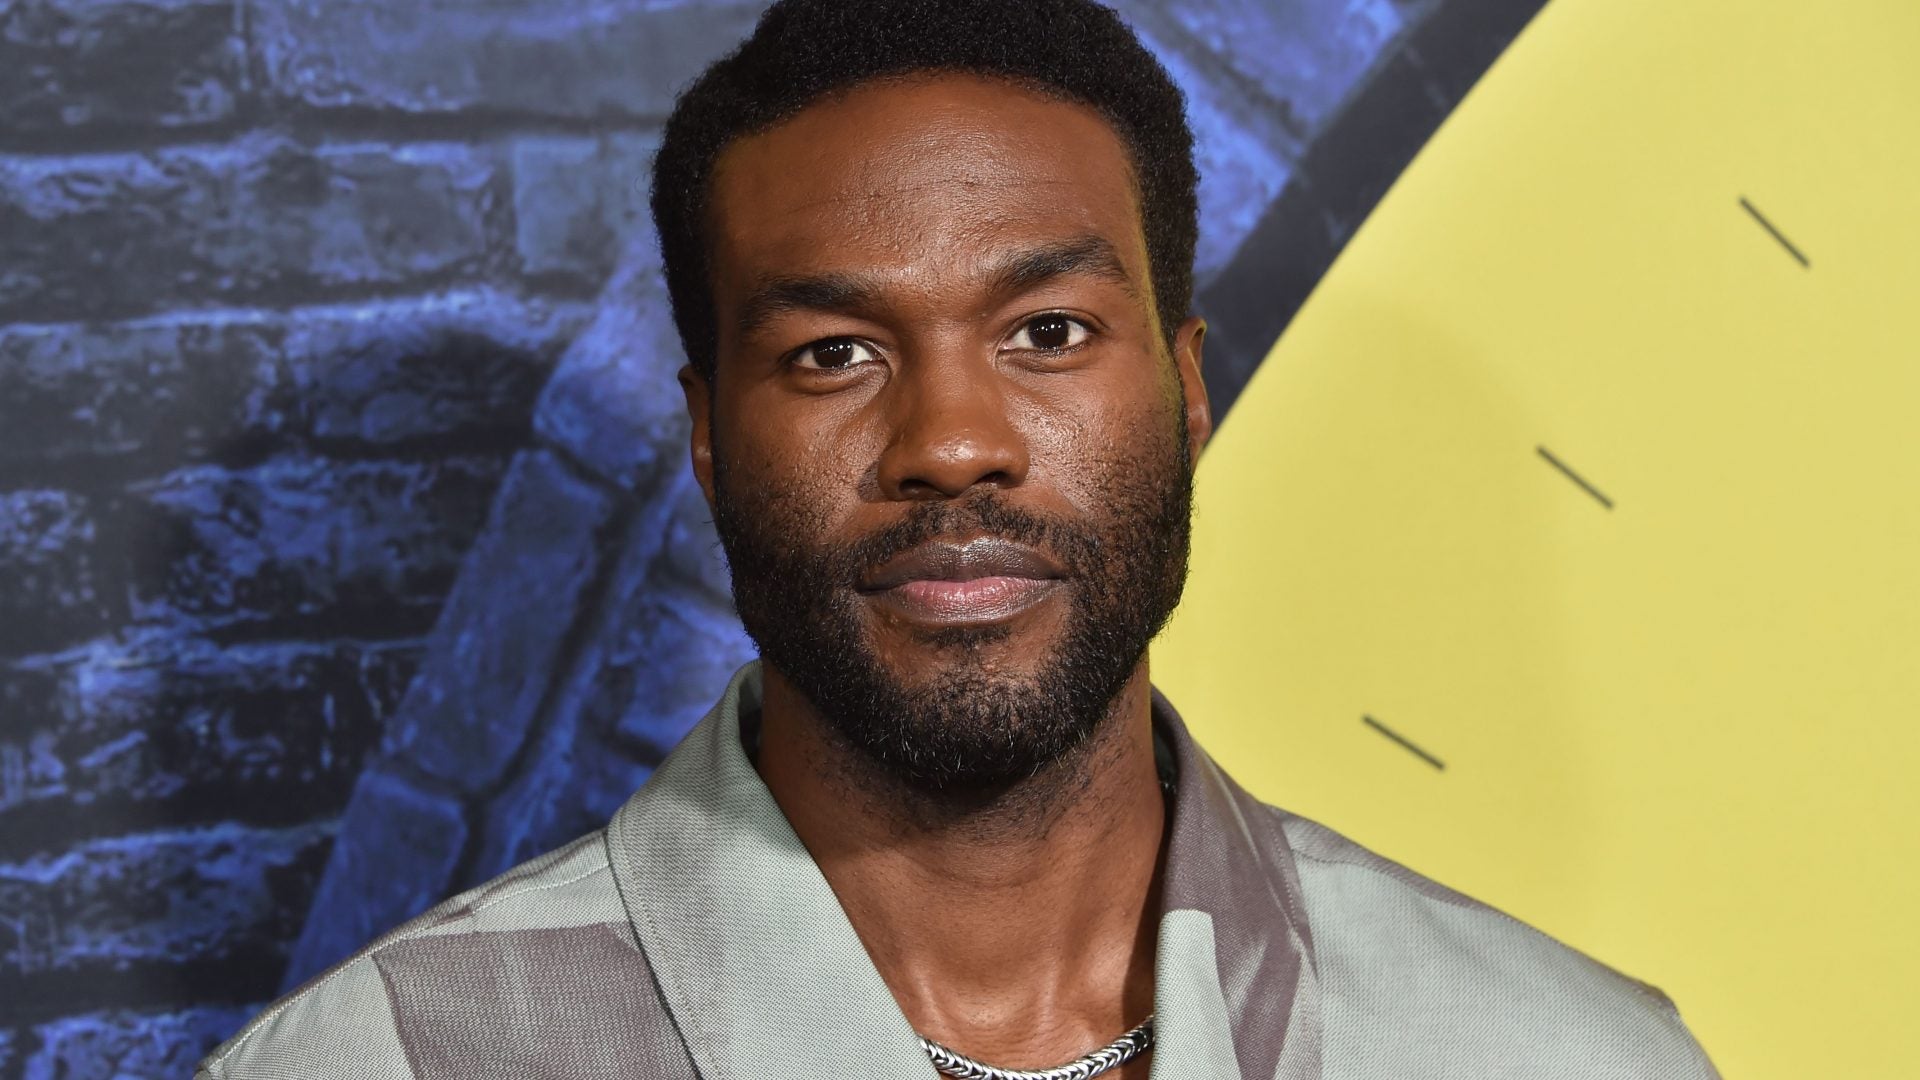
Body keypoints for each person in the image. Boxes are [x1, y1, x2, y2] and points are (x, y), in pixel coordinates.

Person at [197, 0, 1720, 1076]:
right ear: (709, 438)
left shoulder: (1560, 1057)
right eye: (833, 354)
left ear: (1185, 390)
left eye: (1048, 330)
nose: (951, 441)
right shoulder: (382, 1065)